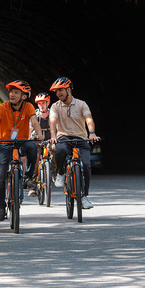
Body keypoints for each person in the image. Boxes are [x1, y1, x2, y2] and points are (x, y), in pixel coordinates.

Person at [0, 80, 42, 221]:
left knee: (32, 147)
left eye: (16, 92)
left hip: (22, 142)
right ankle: (1, 208)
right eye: (11, 91)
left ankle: (29, 177)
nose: (12, 94)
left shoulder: (28, 107)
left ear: (24, 96)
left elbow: (34, 121)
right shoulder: (2, 107)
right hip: (4, 143)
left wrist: (39, 134)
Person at [49, 77, 99, 209]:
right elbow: (53, 121)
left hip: (81, 138)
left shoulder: (82, 104)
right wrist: (53, 135)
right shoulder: (55, 106)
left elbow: (89, 119)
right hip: (64, 138)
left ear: (69, 89)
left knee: (87, 165)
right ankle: (60, 172)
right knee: (59, 150)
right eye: (56, 91)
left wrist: (92, 132)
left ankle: (84, 196)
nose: (58, 93)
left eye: (60, 90)